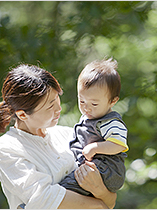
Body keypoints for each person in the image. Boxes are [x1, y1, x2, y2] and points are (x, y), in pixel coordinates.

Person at [0, 64, 116, 209]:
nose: (59, 108)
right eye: (50, 106)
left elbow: (110, 199)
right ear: (22, 114)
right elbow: (43, 197)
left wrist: (100, 189)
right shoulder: (5, 149)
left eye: (57, 98)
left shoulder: (69, 135)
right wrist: (100, 204)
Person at [59, 58, 128, 196]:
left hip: (107, 170)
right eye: (82, 101)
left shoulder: (110, 122)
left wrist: (96, 147)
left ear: (112, 101)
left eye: (94, 104)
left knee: (67, 186)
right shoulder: (89, 116)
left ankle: (40, 203)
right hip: (92, 166)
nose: (86, 108)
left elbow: (119, 144)